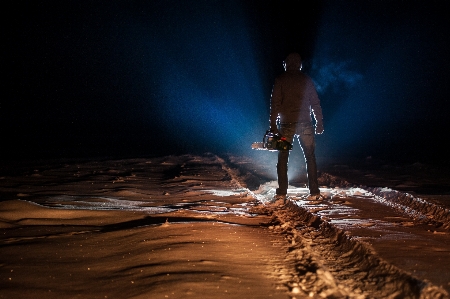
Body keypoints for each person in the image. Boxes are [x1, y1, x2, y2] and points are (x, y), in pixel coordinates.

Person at [269, 53, 324, 203]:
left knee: (283, 158)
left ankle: (281, 193)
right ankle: (314, 192)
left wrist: (273, 125)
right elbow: (315, 103)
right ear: (299, 64)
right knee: (310, 157)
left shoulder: (280, 80)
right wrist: (319, 122)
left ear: (286, 64)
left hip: (286, 125)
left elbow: (275, 105)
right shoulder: (306, 80)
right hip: (306, 123)